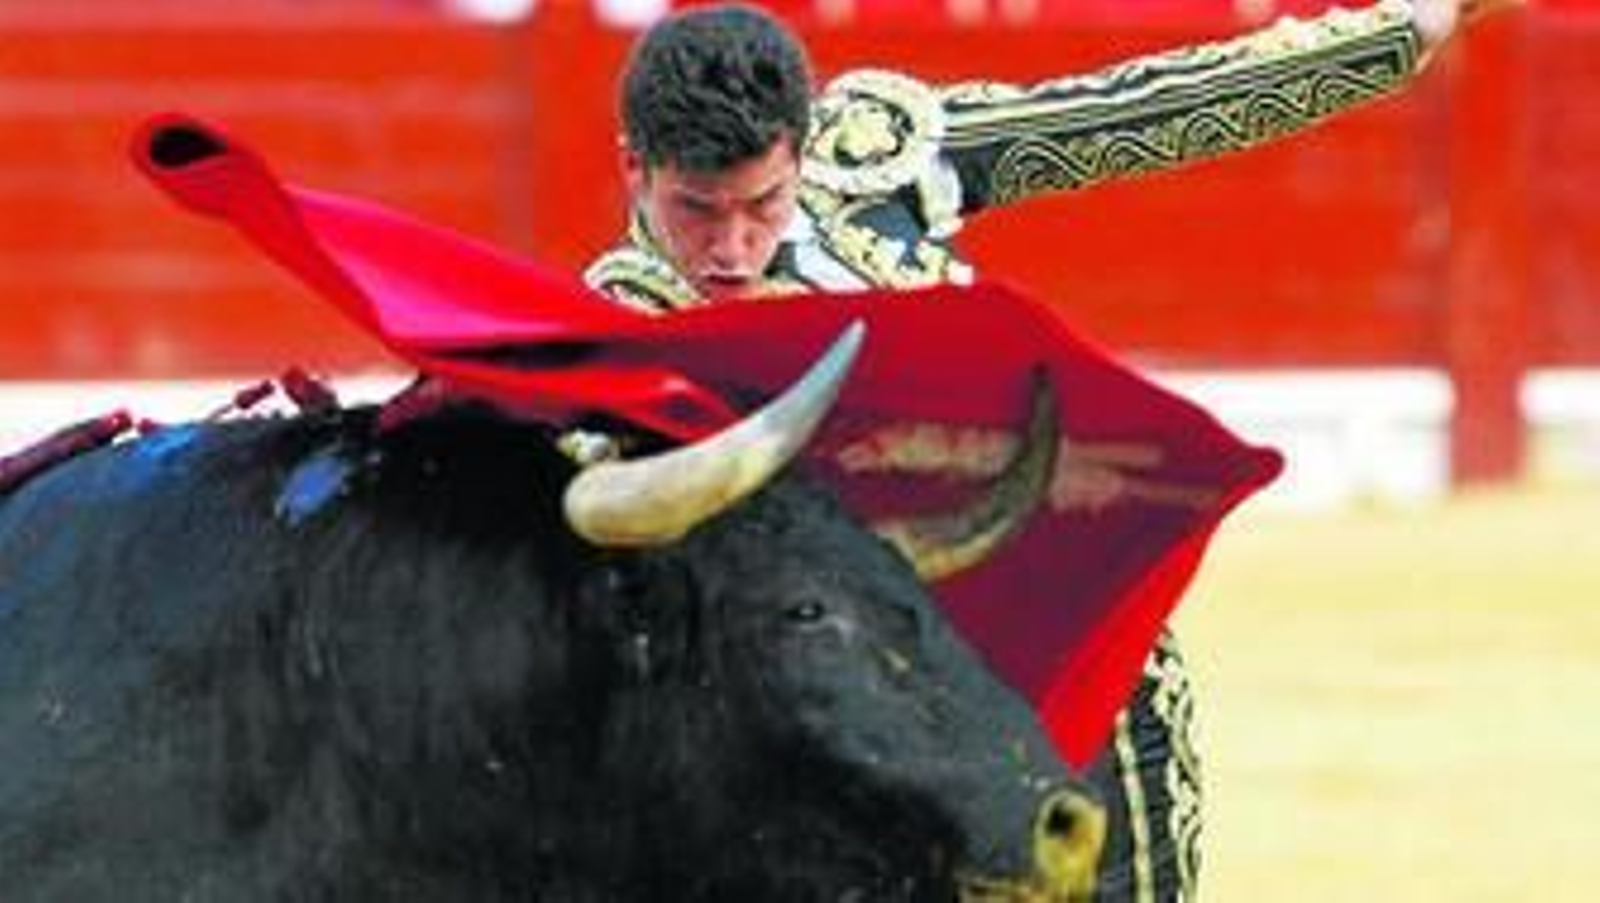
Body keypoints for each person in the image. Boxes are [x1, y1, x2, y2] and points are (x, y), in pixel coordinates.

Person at [584, 1, 1492, 898]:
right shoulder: (604, 341)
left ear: (804, 149)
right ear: (635, 169)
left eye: (764, 202)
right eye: (696, 209)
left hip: (1081, 659)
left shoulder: (869, 157)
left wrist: (1391, 37)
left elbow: (1134, 115)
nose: (733, 247)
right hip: (873, 739)